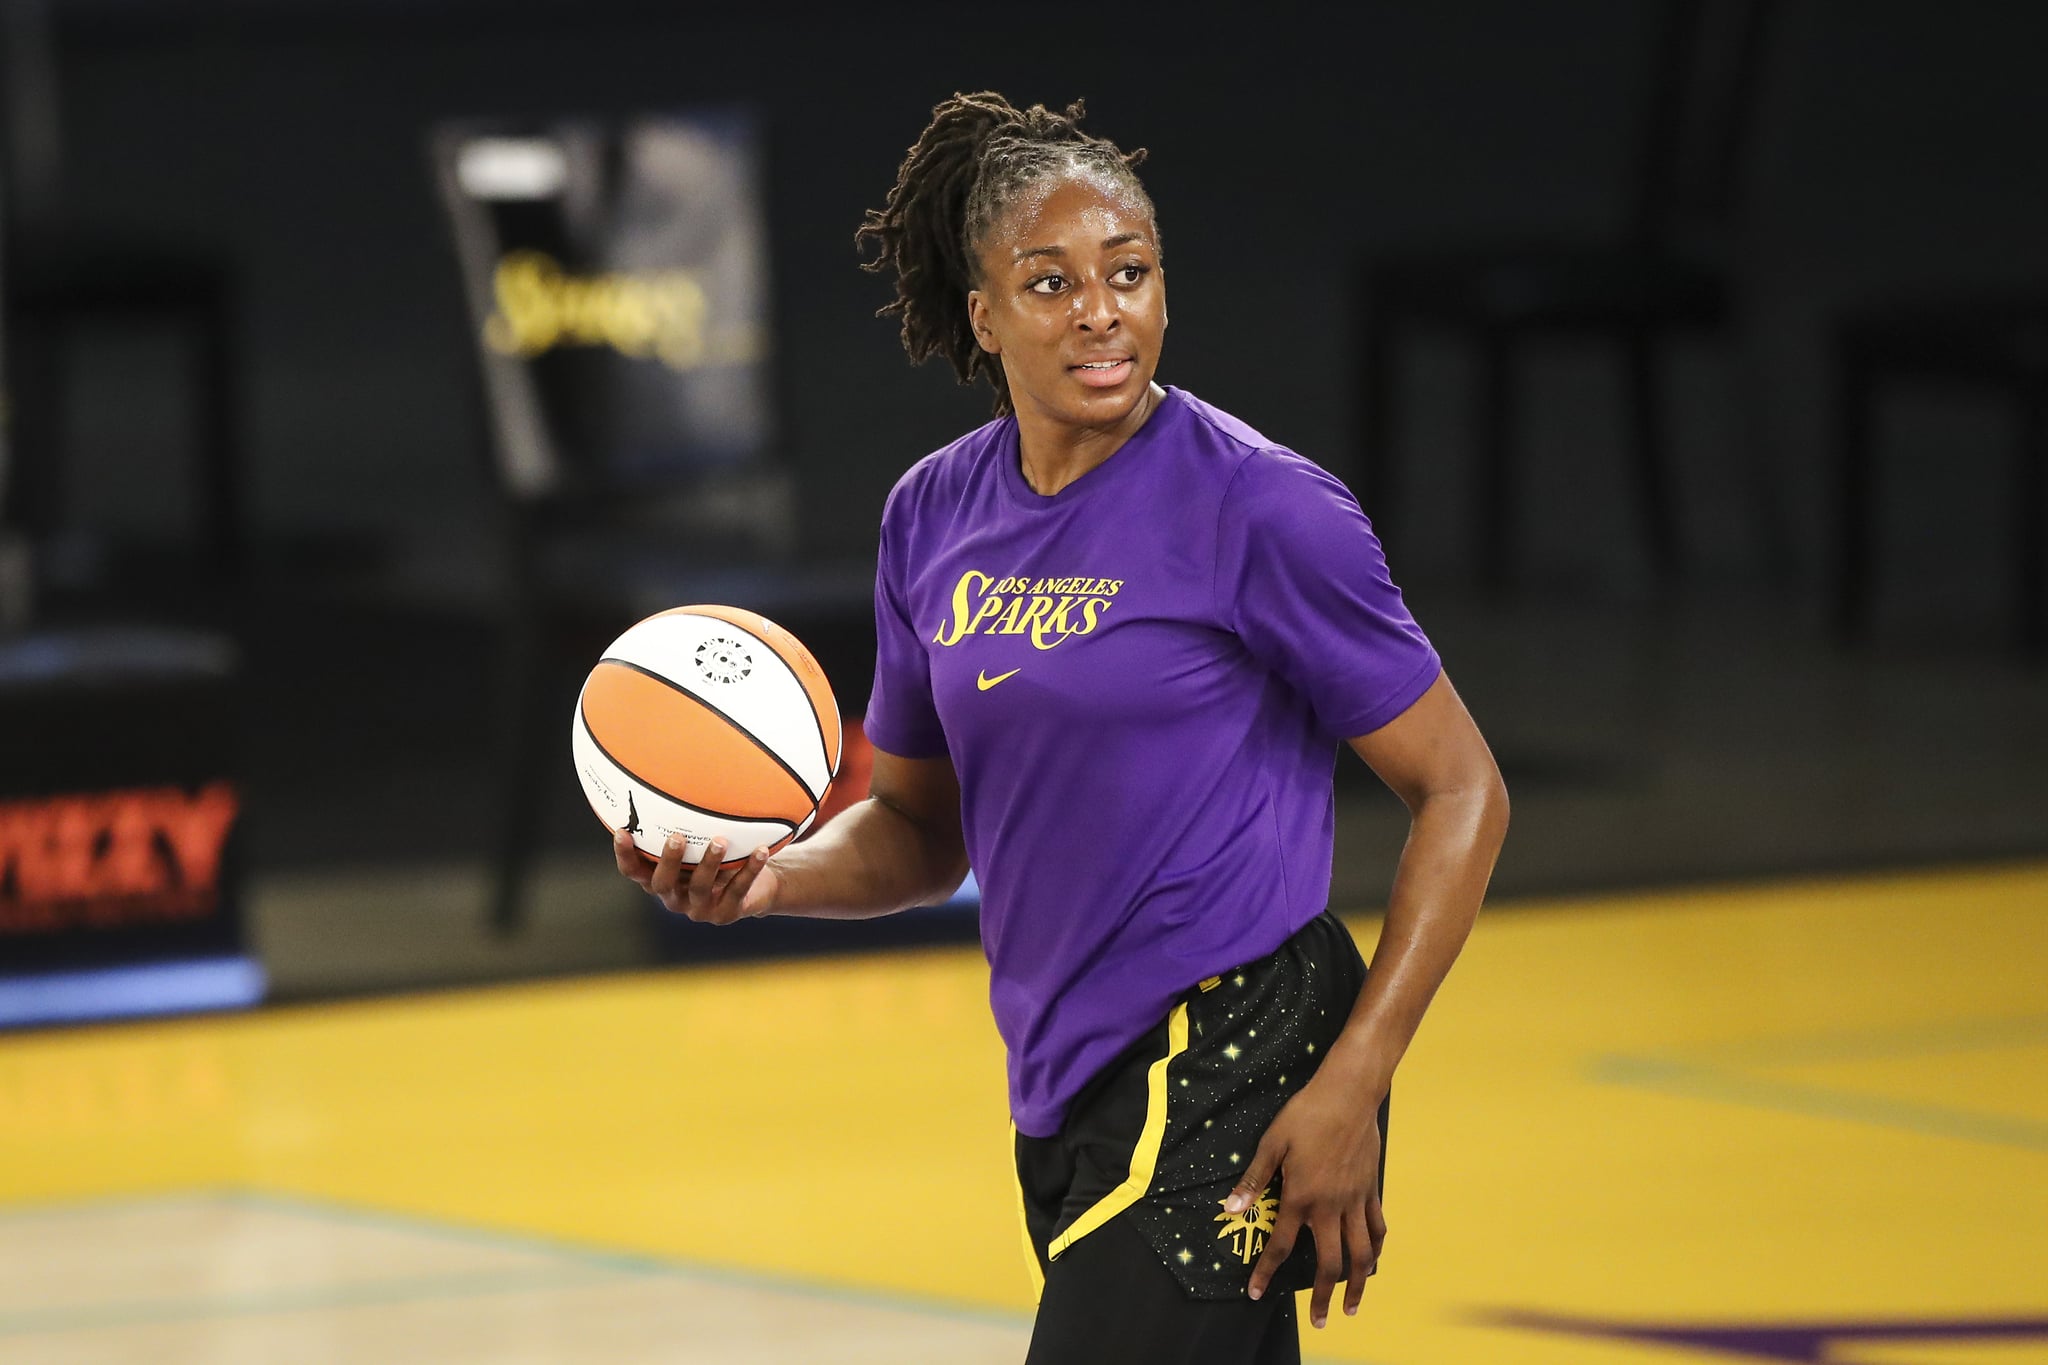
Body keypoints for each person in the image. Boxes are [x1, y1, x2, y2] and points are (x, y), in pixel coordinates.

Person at [614, 91, 1509, 1365]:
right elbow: (923, 832)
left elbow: (1463, 790)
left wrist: (1354, 1081)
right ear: (983, 316)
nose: (1100, 310)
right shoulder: (931, 518)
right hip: (1063, 1088)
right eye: (1050, 283)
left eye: (1129, 274)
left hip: (1232, 1057)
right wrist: (763, 885)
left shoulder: (1258, 508)